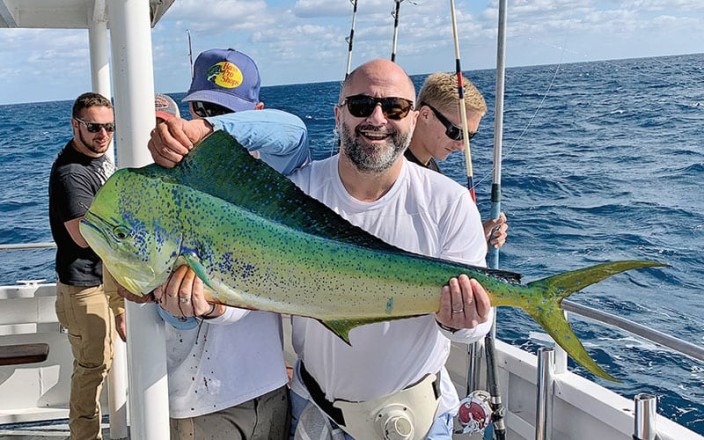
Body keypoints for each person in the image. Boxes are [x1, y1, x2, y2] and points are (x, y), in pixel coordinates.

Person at [148, 59, 494, 440]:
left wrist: (461, 319)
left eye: (393, 108)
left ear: (413, 119)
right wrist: (209, 304)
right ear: (338, 114)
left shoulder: (451, 203)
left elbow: (472, 333)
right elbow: (253, 283)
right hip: (314, 417)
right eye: (361, 105)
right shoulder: (298, 192)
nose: (376, 119)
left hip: (420, 422)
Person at [149, 48, 309, 440]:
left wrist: (213, 132)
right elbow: (163, 298)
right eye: (202, 109)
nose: (212, 120)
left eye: (227, 113)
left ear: (255, 113)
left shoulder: (269, 177)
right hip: (199, 402)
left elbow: (295, 131)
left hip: (270, 388)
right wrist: (184, 309)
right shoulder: (172, 180)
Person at [49, 92, 125, 440]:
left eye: (110, 127)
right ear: (75, 125)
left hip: (106, 280)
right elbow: (83, 236)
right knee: (92, 369)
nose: (103, 135)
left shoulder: (99, 161)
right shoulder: (71, 173)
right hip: (83, 287)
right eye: (94, 127)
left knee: (106, 361)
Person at [408, 72, 508, 249]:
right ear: (425, 115)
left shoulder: (430, 171)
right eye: (457, 132)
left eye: (470, 137)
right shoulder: (393, 171)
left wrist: (473, 238)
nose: (462, 146)